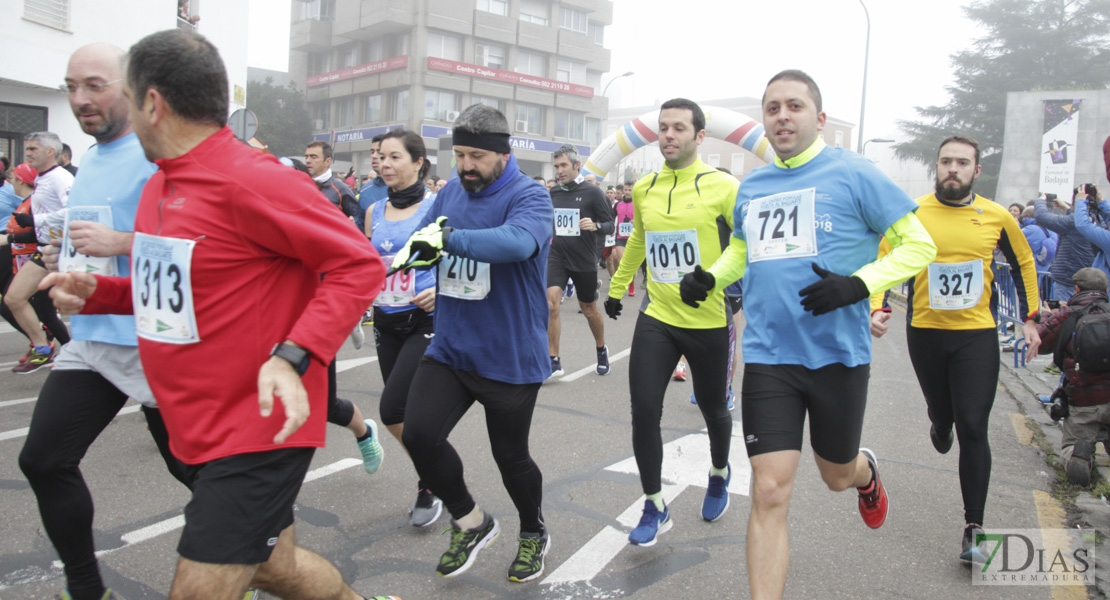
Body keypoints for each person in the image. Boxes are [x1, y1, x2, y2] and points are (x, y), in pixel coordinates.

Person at [43, 29, 387, 600]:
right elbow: (178, 289)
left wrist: (292, 355)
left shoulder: (253, 178)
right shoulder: (160, 185)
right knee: (278, 570)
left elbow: (358, 265)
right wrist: (97, 295)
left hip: (259, 427)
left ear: (151, 102)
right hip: (197, 425)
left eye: (123, 93)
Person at [733, 70, 936, 600]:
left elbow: (920, 245)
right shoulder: (752, 186)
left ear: (818, 118)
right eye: (773, 107)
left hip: (837, 357)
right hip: (770, 355)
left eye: (794, 106)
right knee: (769, 490)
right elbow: (741, 249)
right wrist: (713, 274)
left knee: (836, 475)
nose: (782, 116)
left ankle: (866, 473)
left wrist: (858, 285)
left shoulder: (854, 173)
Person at [14, 43, 196, 600]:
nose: (79, 99)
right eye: (71, 86)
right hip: (95, 339)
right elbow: (91, 247)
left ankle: (252, 565)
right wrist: (63, 261)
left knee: (205, 480)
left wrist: (122, 241)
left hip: (160, 341)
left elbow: (206, 249)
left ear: (138, 88)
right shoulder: (86, 161)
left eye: (95, 85)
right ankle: (88, 589)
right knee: (43, 459)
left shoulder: (163, 154)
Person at [390, 103, 553, 582]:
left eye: (477, 156)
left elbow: (517, 242)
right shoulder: (452, 194)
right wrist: (412, 256)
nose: (465, 166)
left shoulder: (531, 196)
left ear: (503, 154)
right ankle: (471, 521)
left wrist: (447, 241)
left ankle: (532, 532)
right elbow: (430, 235)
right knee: (417, 433)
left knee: (511, 458)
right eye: (459, 154)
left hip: (509, 354)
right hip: (452, 346)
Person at [874, 135, 1041, 563]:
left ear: (976, 170)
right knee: (943, 414)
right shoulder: (913, 212)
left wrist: (1031, 318)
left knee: (973, 425)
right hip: (926, 331)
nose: (953, 168)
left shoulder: (997, 216)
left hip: (976, 334)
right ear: (937, 167)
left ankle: (974, 529)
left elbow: (1023, 263)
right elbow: (885, 254)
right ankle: (938, 421)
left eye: (962, 162)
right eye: (946, 161)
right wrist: (877, 304)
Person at [603, 98, 746, 546]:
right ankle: (654, 503)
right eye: (663, 127)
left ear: (699, 136)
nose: (668, 135)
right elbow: (640, 242)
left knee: (713, 408)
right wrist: (615, 288)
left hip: (706, 319)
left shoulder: (724, 187)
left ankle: (719, 471)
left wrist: (712, 279)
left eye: (679, 128)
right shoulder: (644, 187)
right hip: (658, 316)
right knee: (644, 411)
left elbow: (744, 248)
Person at [365, 128, 442, 526]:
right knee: (400, 417)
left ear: (418, 163)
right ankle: (435, 468)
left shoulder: (436, 207)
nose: (385, 163)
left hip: (425, 319)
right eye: (381, 156)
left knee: (393, 406)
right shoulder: (374, 211)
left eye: (396, 157)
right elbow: (367, 264)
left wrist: (441, 291)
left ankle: (431, 480)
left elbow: (462, 258)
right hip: (385, 318)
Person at [4, 131, 74, 372]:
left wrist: (37, 220)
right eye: (27, 148)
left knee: (75, 307)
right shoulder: (42, 179)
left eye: (33, 149)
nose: (27, 153)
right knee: (13, 298)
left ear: (50, 152)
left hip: (64, 251)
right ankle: (43, 349)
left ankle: (82, 355)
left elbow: (74, 210)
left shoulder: (59, 178)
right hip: (45, 250)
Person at [1035, 267, 1110, 486]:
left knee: (1071, 446)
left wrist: (1048, 314)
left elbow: (1039, 342)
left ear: (1076, 289)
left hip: (1084, 402)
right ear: (1106, 289)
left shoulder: (1067, 315)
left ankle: (1079, 455)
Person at [547, 144, 614, 377]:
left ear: (577, 165)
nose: (559, 170)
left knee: (588, 309)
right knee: (550, 304)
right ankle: (553, 360)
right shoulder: (553, 193)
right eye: (556, 166)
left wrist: (595, 226)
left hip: (583, 259)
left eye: (563, 165)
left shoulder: (593, 193)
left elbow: (610, 225)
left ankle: (601, 348)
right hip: (557, 256)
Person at [1036, 190, 1093, 301]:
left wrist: (1040, 201)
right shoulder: (1100, 219)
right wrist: (1067, 209)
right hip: (1092, 279)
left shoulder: (1073, 222)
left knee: (1064, 315)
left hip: (1069, 279)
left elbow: (1041, 216)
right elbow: (1080, 217)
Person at [304, 140, 362, 228]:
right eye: (306, 157)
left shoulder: (341, 190)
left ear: (327, 161)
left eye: (313, 157)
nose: (308, 160)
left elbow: (359, 221)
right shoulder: (301, 186)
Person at [1020, 205, 1057, 273]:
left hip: (1028, 267)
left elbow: (1013, 240)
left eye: (1023, 217)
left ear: (1029, 216)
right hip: (1045, 269)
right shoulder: (1052, 230)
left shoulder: (1030, 229)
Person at [358, 134, 389, 216]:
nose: (374, 156)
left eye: (379, 152)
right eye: (372, 152)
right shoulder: (365, 190)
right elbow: (360, 224)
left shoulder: (404, 188)